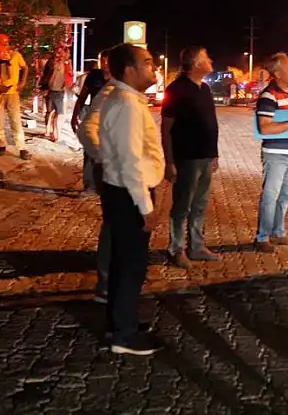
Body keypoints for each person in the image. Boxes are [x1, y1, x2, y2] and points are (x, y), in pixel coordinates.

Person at [97, 43, 163, 355]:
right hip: (128, 193)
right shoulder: (126, 104)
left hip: (121, 190)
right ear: (129, 70)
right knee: (130, 265)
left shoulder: (126, 100)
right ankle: (123, 335)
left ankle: (120, 322)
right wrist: (146, 206)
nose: (153, 69)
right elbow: (130, 161)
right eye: (147, 63)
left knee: (125, 261)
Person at [161, 45, 220, 268]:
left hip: (205, 157)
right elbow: (166, 128)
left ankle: (196, 246)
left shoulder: (205, 89)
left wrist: (214, 155)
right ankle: (176, 248)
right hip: (186, 158)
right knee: (182, 205)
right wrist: (169, 162)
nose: (211, 61)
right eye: (206, 58)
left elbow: (210, 123)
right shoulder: (176, 90)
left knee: (200, 204)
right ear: (195, 64)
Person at [252, 52, 288, 252]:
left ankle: (278, 232)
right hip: (276, 153)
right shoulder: (268, 96)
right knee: (271, 196)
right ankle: (262, 237)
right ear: (277, 73)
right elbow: (265, 128)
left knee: (285, 195)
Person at [78, 76, 116, 303]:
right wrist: (104, 160)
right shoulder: (113, 92)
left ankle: (117, 286)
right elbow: (87, 128)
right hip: (117, 176)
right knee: (114, 229)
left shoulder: (132, 96)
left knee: (122, 233)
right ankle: (107, 286)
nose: (153, 68)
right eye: (148, 62)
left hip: (128, 176)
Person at [72, 51, 110, 193]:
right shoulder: (94, 76)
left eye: (108, 61)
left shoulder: (120, 77)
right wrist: (75, 115)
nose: (105, 64)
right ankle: (89, 185)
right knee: (90, 150)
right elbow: (82, 97)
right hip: (94, 118)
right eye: (102, 61)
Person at [0, 33, 30, 160]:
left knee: (15, 121)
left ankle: (21, 147)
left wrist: (22, 82)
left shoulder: (15, 55)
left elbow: (25, 67)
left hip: (12, 92)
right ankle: (1, 144)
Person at [39, 47, 71, 142]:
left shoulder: (66, 63)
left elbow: (68, 76)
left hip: (57, 91)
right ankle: (52, 133)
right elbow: (46, 74)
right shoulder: (53, 62)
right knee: (54, 113)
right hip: (52, 90)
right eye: (58, 52)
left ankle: (53, 132)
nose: (68, 55)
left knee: (56, 113)